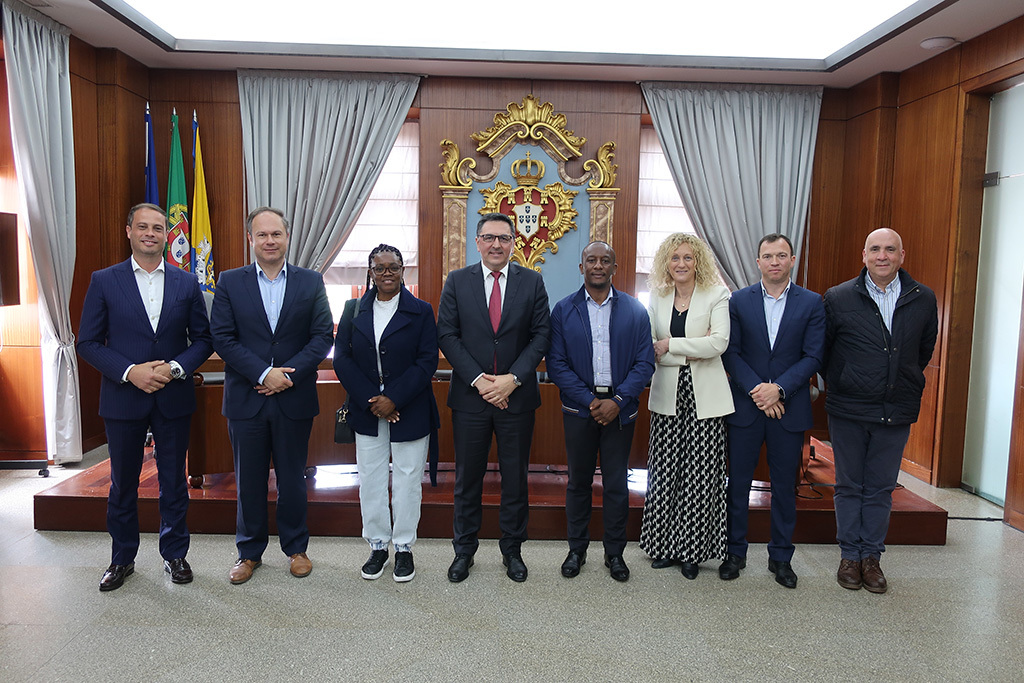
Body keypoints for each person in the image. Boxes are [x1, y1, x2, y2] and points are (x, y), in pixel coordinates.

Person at [77, 203, 212, 591]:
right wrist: (130, 372)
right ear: (129, 231)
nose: (151, 233)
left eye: (158, 227)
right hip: (123, 397)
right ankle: (121, 559)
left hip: (173, 396)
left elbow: (203, 339)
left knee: (173, 481)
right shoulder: (104, 280)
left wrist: (173, 368)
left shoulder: (187, 283)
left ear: (166, 235)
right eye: (143, 227)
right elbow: (87, 341)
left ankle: (175, 555)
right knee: (123, 482)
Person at [210, 206, 334, 585]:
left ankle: (296, 549)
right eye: (261, 235)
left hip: (292, 398)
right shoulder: (230, 282)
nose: (269, 241)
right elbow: (223, 338)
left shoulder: (311, 282)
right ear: (251, 239)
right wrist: (264, 373)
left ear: (287, 237)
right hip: (247, 398)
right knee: (248, 480)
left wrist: (286, 376)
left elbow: (322, 336)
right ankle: (248, 553)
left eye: (275, 234)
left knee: (293, 478)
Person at [437, 212, 550, 583]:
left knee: (515, 480)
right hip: (471, 399)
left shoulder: (532, 282)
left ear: (514, 243)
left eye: (503, 238)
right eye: (489, 238)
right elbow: (448, 336)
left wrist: (512, 380)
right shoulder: (457, 281)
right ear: (477, 242)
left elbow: (541, 337)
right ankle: (463, 552)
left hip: (516, 400)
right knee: (467, 479)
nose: (496, 245)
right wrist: (481, 381)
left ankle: (512, 551)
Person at [824, 228, 937, 594]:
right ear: (864, 255)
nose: (882, 256)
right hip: (849, 408)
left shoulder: (923, 298)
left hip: (896, 407)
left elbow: (923, 351)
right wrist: (848, 379)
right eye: (875, 249)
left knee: (880, 488)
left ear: (902, 255)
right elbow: (825, 354)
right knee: (848, 485)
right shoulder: (838, 297)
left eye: (890, 249)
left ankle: (871, 558)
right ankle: (849, 557)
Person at [720, 234, 825, 589]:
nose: (775, 261)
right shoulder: (738, 301)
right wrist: (759, 391)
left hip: (788, 409)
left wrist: (778, 389)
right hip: (746, 410)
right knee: (737, 485)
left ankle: (781, 558)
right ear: (758, 262)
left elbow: (813, 356)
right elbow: (731, 352)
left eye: (782, 255)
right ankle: (735, 553)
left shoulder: (812, 303)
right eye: (768, 256)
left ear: (792, 260)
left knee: (784, 487)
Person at [546, 241, 655, 582]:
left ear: (614, 267)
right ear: (581, 267)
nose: (597, 265)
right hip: (580, 410)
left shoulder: (636, 311)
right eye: (591, 260)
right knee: (578, 482)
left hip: (620, 411)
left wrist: (618, 401)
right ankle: (576, 549)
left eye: (604, 260)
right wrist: (590, 401)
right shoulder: (563, 310)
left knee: (616, 485)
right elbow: (557, 364)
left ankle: (614, 554)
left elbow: (645, 363)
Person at [333, 244, 440, 583]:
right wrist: (373, 399)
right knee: (372, 481)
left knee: (408, 481)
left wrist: (393, 398)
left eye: (394, 267)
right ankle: (378, 546)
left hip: (409, 406)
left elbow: (427, 361)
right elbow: (341, 360)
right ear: (370, 272)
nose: (387, 273)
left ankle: (404, 548)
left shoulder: (421, 310)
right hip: (367, 409)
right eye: (380, 268)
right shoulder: (353, 310)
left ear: (403, 271)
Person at [640, 233, 734, 580]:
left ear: (699, 262)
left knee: (700, 476)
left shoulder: (717, 293)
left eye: (688, 258)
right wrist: (689, 350)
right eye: (675, 258)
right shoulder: (658, 296)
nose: (681, 264)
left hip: (704, 399)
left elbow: (719, 343)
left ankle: (693, 551)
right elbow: (649, 346)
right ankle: (664, 546)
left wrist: (670, 346)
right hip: (667, 396)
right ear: (667, 262)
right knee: (665, 475)